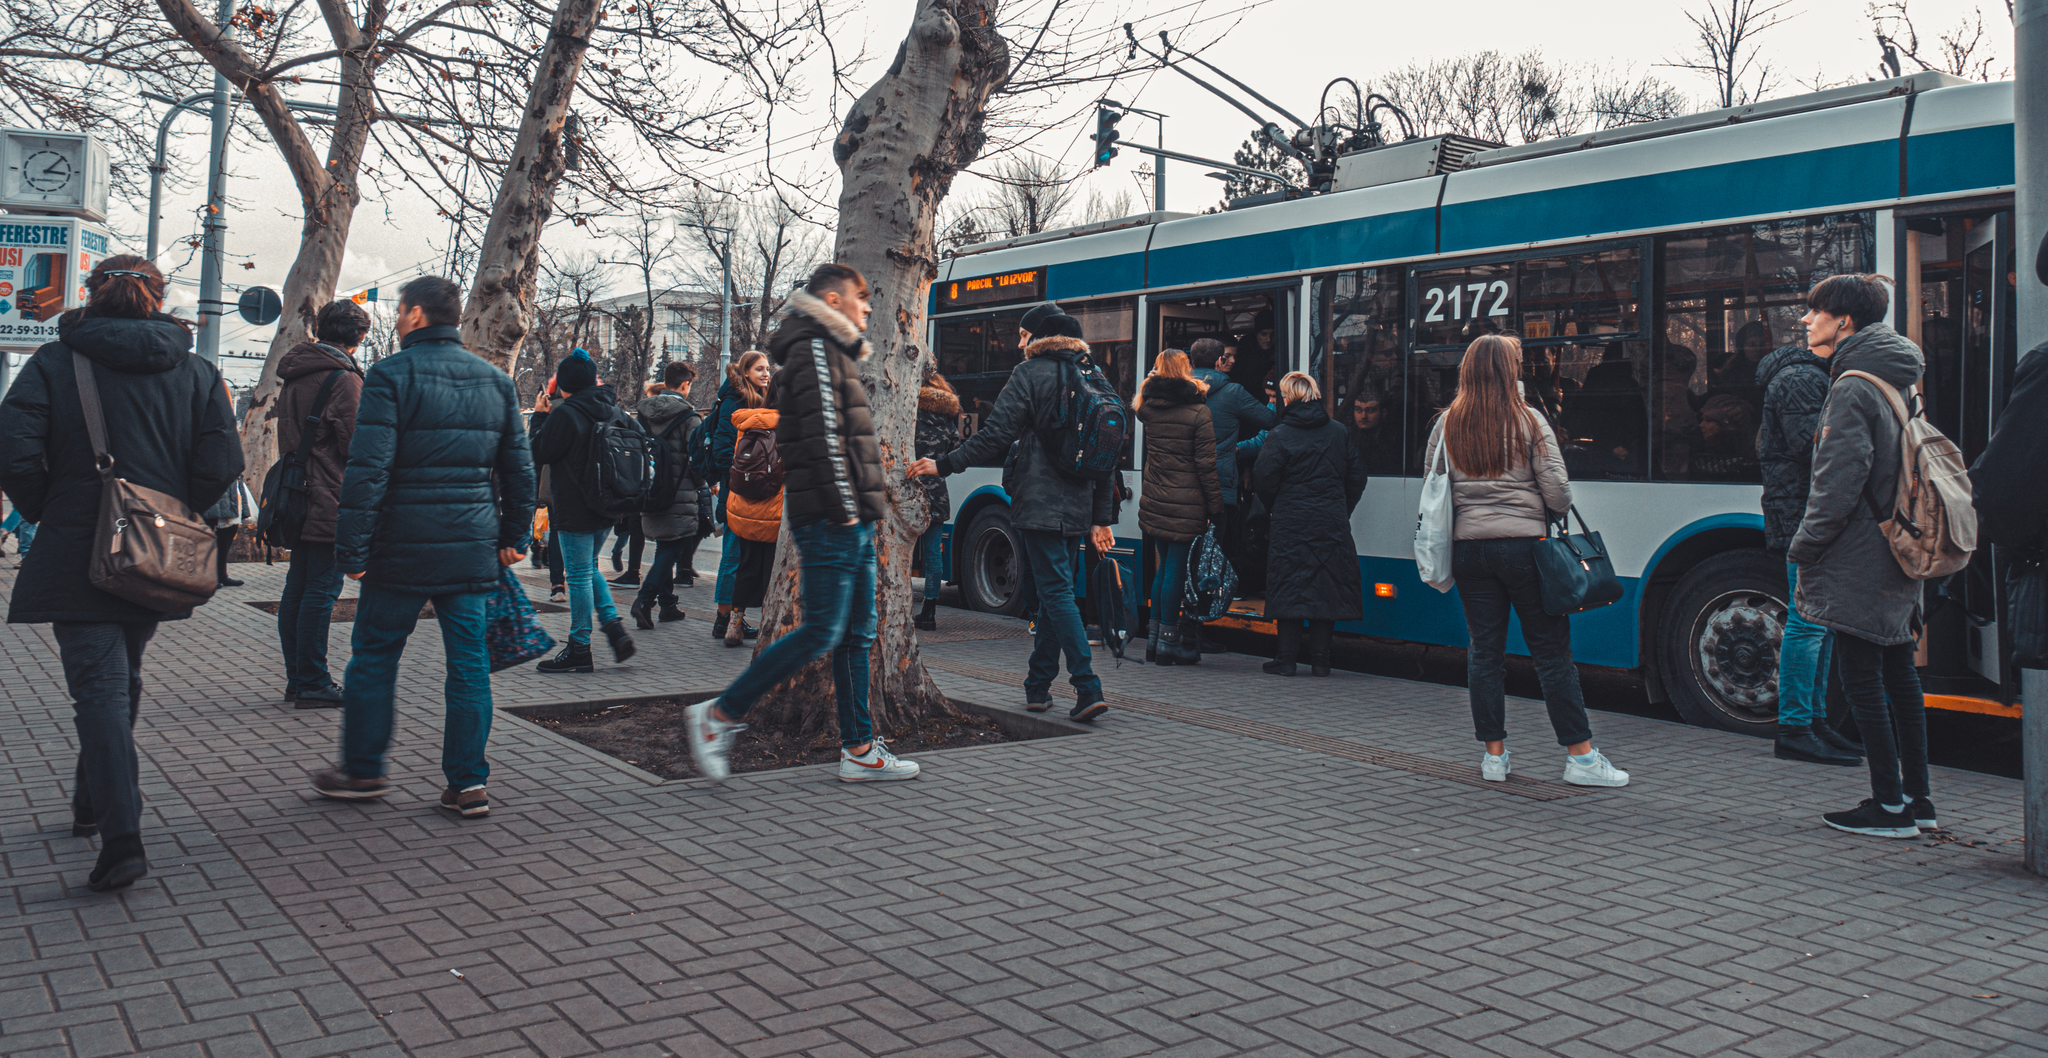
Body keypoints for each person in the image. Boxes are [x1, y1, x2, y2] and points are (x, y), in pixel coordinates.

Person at [0, 256, 243, 892]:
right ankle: (93, 801)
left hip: (78, 546)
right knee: (122, 676)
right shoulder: (196, 370)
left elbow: (15, 451)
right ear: (159, 300)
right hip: (156, 552)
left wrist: (50, 506)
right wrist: (172, 505)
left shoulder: (56, 363)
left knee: (100, 691)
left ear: (89, 295)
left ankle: (122, 836)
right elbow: (223, 459)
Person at [313, 276, 535, 816]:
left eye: (400, 311)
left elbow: (367, 471)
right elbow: (519, 472)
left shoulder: (389, 375)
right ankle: (468, 784)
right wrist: (513, 537)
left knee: (373, 658)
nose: (395, 319)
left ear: (415, 315)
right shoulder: (494, 380)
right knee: (468, 667)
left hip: (400, 551)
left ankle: (363, 771)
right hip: (471, 549)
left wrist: (353, 554)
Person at [685, 263, 912, 783]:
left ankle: (858, 748)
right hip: (834, 515)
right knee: (823, 631)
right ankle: (718, 715)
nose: (868, 309)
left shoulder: (827, 352)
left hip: (848, 515)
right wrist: (848, 508)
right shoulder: (813, 351)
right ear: (833, 300)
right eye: (861, 299)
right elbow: (826, 440)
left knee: (856, 633)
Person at [1425, 334, 1631, 788]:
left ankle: (1494, 758)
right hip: (1523, 549)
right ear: (1508, 371)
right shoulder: (1529, 419)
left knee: (1484, 652)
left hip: (1469, 551)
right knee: (1551, 653)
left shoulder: (1447, 424)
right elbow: (1558, 491)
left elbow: (1433, 486)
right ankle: (1581, 758)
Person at [912, 302, 1122, 723]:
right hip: (1077, 507)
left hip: (1038, 503)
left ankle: (1087, 686)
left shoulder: (1029, 374)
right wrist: (1101, 517)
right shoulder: (1094, 376)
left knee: (1057, 593)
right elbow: (1107, 459)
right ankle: (1038, 686)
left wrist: (945, 463)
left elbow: (995, 435)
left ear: (1040, 338)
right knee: (1051, 593)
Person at [1788, 274, 1936, 839]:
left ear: (1843, 321)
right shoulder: (1900, 377)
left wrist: (1805, 547)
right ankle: (1919, 800)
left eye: (1814, 311)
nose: (1806, 321)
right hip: (1898, 545)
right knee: (1900, 674)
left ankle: (1888, 805)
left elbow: (1835, 484)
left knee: (1862, 680)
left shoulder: (1852, 385)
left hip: (1858, 554)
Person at [1756, 335, 1861, 766]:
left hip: (1801, 510)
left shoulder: (1805, 377)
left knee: (1818, 621)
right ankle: (1796, 727)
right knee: (1808, 623)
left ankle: (1814, 722)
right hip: (1802, 513)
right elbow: (1815, 449)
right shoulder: (1801, 379)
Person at [270, 299, 368, 708]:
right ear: (358, 338)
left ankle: (298, 679)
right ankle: (313, 680)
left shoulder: (297, 372)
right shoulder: (343, 380)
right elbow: (357, 446)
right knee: (321, 591)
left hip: (296, 493)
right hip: (329, 496)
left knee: (298, 587)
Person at [527, 348, 637, 673]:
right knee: (588, 569)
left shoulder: (566, 414)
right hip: (608, 505)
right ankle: (613, 627)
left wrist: (539, 416)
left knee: (577, 575)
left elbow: (537, 450)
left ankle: (579, 646)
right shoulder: (613, 409)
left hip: (574, 507)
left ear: (563, 385)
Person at [1252, 373, 1366, 676]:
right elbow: (1357, 477)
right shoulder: (1339, 432)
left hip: (1290, 521)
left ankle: (1286, 659)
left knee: (1288, 585)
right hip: (1331, 521)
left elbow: (1263, 478)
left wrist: (1276, 507)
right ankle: (1321, 661)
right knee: (1325, 586)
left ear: (1289, 398)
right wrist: (1342, 508)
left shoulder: (1280, 435)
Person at [1134, 349, 1224, 665]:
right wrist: (1216, 508)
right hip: (1187, 504)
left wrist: (1151, 379)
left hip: (1155, 500)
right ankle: (1168, 644)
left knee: (1162, 570)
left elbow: (1141, 400)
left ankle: (1155, 642)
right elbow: (1206, 466)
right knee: (1174, 569)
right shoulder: (1199, 413)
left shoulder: (1149, 408)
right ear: (1189, 372)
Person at [630, 362, 702, 629]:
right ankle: (644, 600)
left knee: (664, 545)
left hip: (648, 489)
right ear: (685, 385)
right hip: (678, 494)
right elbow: (697, 458)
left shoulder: (643, 412)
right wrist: (702, 482)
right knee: (673, 548)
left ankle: (668, 605)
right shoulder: (689, 417)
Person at [711, 351, 773, 642]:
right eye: (759, 369)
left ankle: (735, 619)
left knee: (748, 559)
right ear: (745, 372)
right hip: (739, 490)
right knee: (734, 556)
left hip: (762, 492)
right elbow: (722, 452)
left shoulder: (768, 404)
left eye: (768, 369)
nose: (765, 373)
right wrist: (745, 474)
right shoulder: (734, 404)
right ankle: (723, 619)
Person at [913, 367, 962, 631]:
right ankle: (929, 612)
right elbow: (957, 458)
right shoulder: (948, 421)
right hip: (937, 494)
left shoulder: (910, 413)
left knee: (901, 553)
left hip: (908, 491)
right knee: (933, 555)